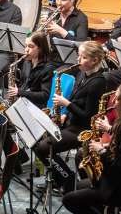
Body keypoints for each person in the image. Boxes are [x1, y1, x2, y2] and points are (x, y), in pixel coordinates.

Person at [62, 82, 121, 214]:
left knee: (69, 200)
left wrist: (101, 150)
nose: (113, 102)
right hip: (115, 180)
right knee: (74, 191)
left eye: (117, 99)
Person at [34, 41, 107, 192]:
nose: (78, 60)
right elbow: (76, 100)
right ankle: (58, 179)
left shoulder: (98, 83)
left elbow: (88, 116)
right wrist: (64, 115)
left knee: (43, 148)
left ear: (95, 60)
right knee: (38, 140)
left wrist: (66, 104)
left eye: (83, 57)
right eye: (78, 56)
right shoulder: (82, 74)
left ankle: (68, 180)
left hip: (83, 130)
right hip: (72, 123)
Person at [7, 31, 55, 108]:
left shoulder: (48, 68)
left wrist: (20, 92)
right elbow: (23, 84)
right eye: (26, 46)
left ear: (40, 48)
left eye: (30, 46)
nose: (26, 50)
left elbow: (44, 96)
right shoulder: (26, 62)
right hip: (22, 101)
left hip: (35, 107)